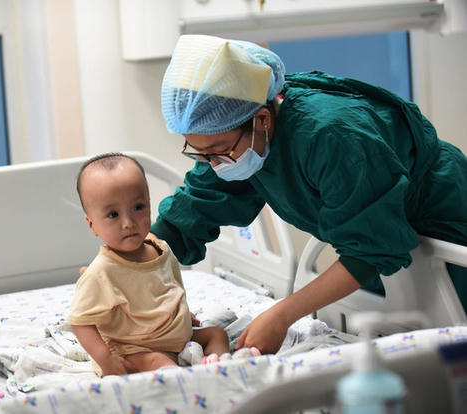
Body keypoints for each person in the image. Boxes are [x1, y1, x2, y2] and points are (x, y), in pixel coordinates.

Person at [151, 34, 467, 355]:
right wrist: (128, 264)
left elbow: (370, 249)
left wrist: (283, 314)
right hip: (384, 235)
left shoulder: (332, 136)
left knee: (451, 345)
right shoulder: (236, 140)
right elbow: (191, 211)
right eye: (200, 153)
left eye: (218, 151)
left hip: (446, 223)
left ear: (262, 120)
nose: (213, 164)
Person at [68, 153, 234, 377]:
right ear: (92, 225)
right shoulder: (102, 272)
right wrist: (105, 359)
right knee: (159, 361)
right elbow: (80, 322)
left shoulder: (161, 249)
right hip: (135, 349)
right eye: (113, 214)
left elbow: (169, 289)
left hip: (176, 337)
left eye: (138, 207)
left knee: (217, 334)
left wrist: (184, 315)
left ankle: (220, 368)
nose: (128, 223)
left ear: (149, 204)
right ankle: (187, 381)